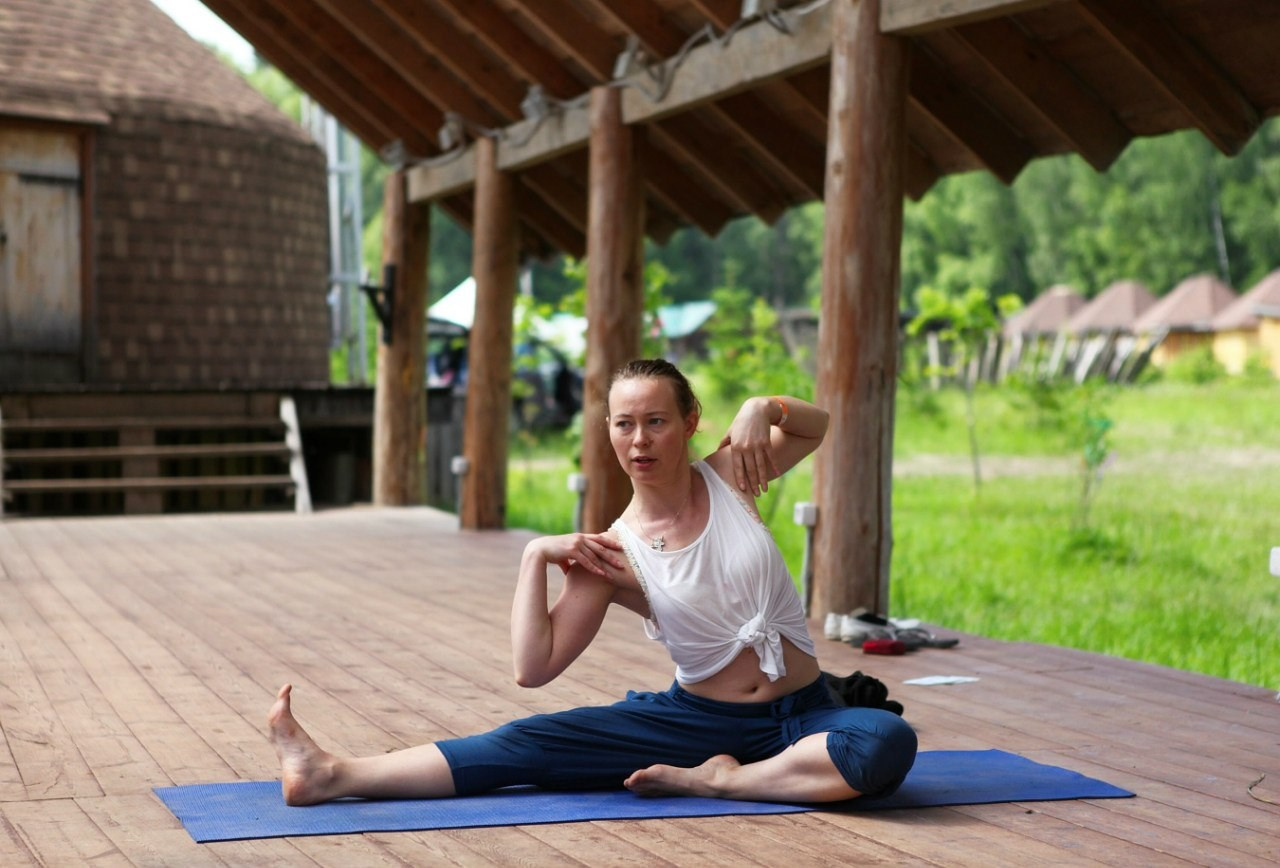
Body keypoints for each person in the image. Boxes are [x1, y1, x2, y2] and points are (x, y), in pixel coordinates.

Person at [268, 359, 917, 806]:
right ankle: (329, 773)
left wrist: (761, 405)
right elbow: (533, 667)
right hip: (695, 721)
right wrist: (533, 558)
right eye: (623, 424)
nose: (639, 440)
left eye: (656, 421)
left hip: (805, 712)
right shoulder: (613, 551)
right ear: (608, 430)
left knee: (886, 742)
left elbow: (816, 425)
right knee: (528, 744)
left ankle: (721, 783)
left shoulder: (733, 476)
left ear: (690, 421)